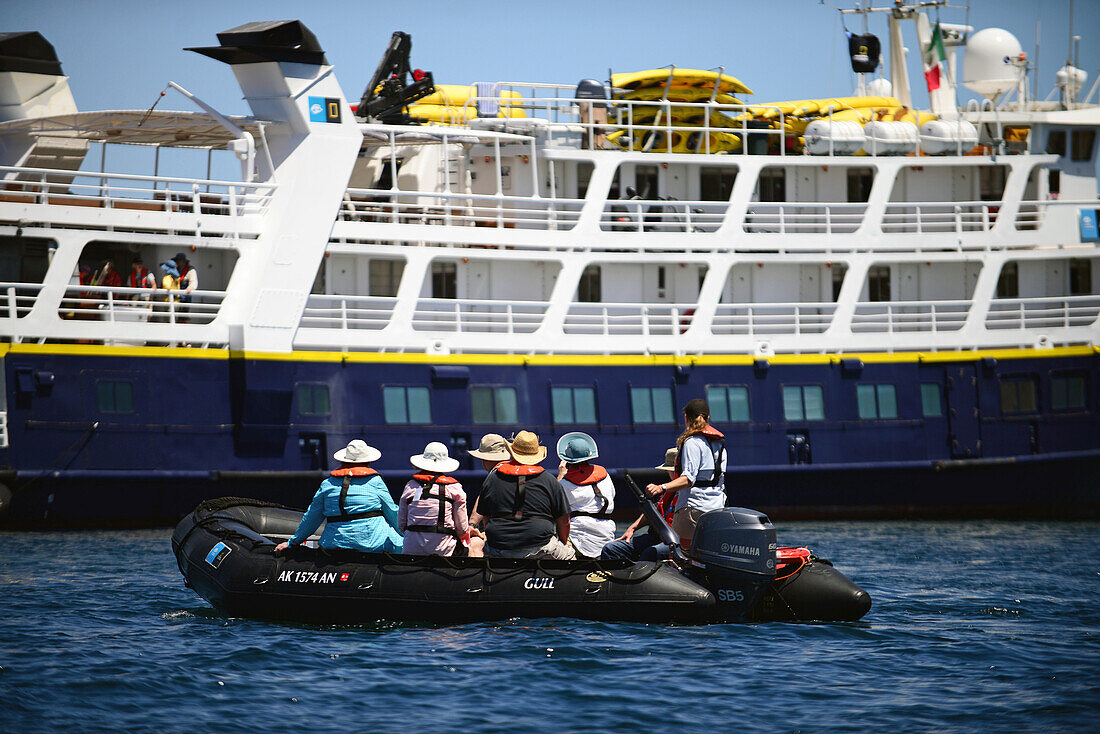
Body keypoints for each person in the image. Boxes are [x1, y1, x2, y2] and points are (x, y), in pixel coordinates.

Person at [275, 439, 402, 554]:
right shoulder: (375, 482)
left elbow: (312, 517)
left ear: (343, 461)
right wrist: (408, 535)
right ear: (368, 461)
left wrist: (293, 542)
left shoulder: (327, 484)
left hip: (334, 545)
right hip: (372, 545)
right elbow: (392, 513)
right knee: (399, 540)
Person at [469, 430, 574, 560]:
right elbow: (564, 521)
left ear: (512, 452)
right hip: (540, 546)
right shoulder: (549, 480)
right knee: (570, 555)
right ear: (537, 455)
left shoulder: (492, 478)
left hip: (499, 547)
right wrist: (563, 542)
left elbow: (486, 518)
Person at [645, 398, 726, 549]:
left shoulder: (692, 443)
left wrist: (661, 487)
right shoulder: (719, 444)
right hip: (716, 507)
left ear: (686, 418)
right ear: (708, 418)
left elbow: (688, 479)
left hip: (692, 507)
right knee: (705, 551)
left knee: (681, 553)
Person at [600, 448, 677, 562]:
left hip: (675, 542)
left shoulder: (691, 493)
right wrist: (632, 528)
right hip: (656, 537)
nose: (670, 473)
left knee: (650, 553)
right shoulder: (668, 491)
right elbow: (654, 511)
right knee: (611, 549)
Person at [398, 442, 470, 557]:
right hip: (444, 552)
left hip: (411, 549)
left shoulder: (410, 486)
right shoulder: (454, 488)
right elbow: (462, 530)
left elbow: (401, 525)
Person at [555, 432, 615, 559]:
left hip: (579, 541)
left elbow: (552, 504)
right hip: (607, 536)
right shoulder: (605, 476)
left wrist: (560, 477)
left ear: (567, 460)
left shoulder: (565, 484)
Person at [464, 433, 509, 558]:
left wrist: (471, 526)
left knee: (474, 545)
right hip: (528, 535)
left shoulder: (494, 476)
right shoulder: (519, 471)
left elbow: (483, 503)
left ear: (487, 459)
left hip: (504, 539)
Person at [172, 252, 198, 323]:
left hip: (186, 298)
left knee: (184, 317)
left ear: (184, 261)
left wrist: (190, 288)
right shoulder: (175, 270)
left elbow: (193, 282)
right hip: (176, 298)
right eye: (177, 260)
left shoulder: (191, 270)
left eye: (179, 260)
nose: (178, 262)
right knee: (175, 317)